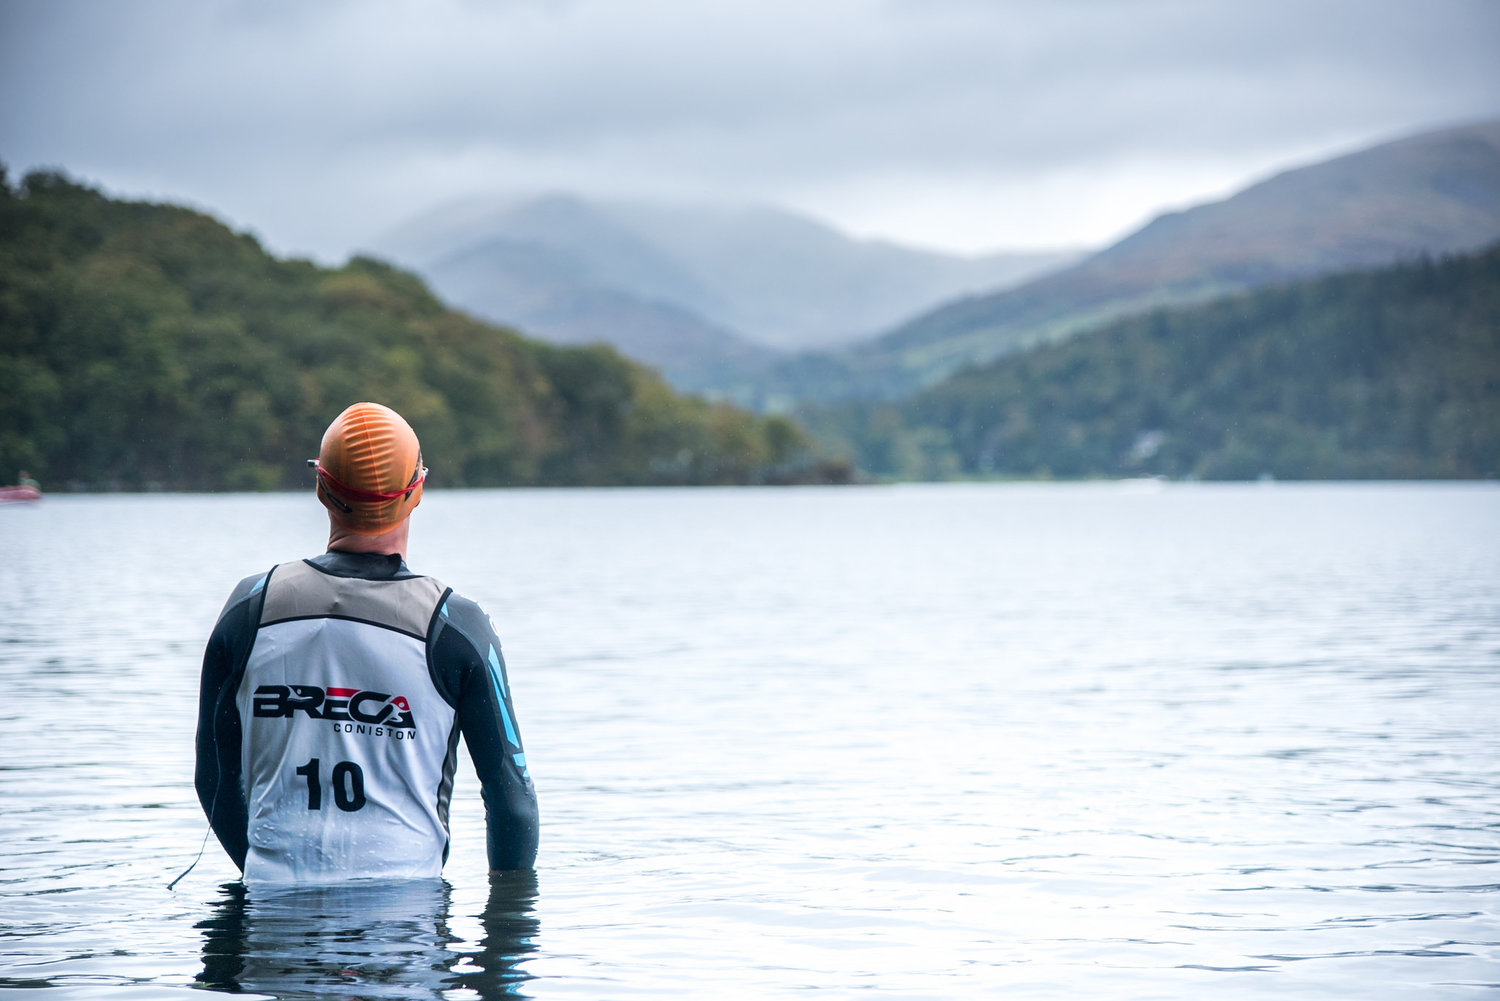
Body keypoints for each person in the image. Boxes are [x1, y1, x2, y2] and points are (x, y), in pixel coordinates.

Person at [195, 402, 538, 882]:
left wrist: (268, 875)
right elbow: (513, 804)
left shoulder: (251, 606)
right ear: (416, 490)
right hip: (406, 921)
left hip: (271, 919)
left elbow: (212, 780)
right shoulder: (455, 625)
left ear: (321, 487)